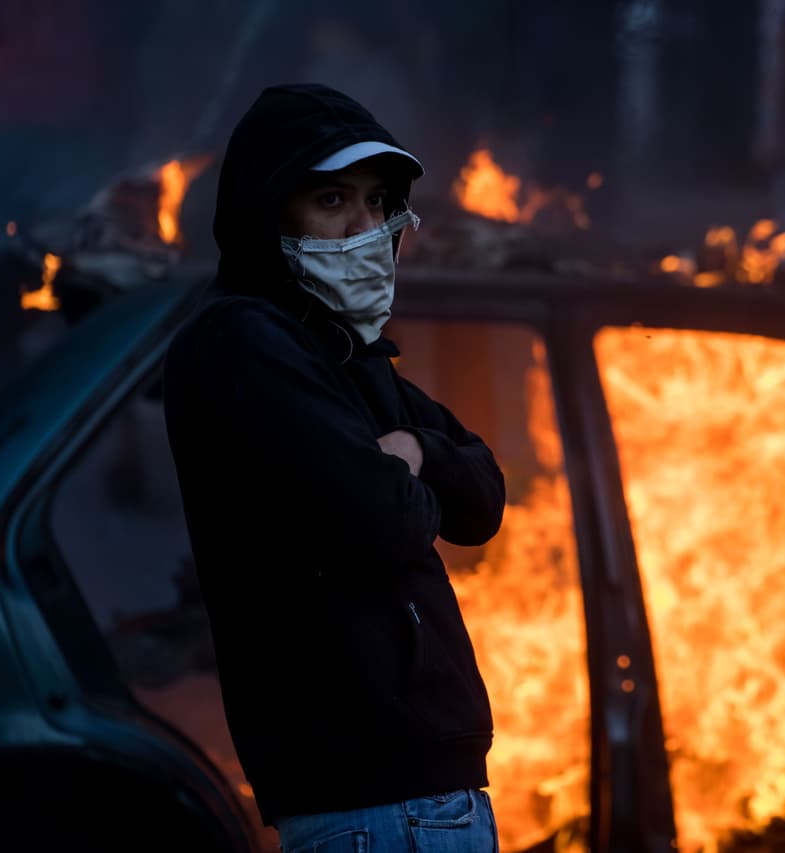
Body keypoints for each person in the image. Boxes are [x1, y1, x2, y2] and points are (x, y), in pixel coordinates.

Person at [163, 83, 505, 852]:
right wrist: (408, 481)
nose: (365, 227)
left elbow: (482, 497)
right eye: (331, 199)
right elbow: (393, 521)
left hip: (417, 798)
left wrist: (414, 452)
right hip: (377, 805)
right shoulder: (244, 343)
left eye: (380, 202)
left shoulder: (343, 357)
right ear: (270, 212)